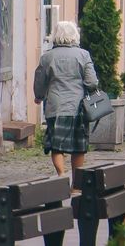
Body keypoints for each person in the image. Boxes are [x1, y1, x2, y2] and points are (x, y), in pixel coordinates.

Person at [35, 21, 99, 178]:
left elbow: (39, 81)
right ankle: (76, 185)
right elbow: (91, 82)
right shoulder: (83, 55)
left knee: (57, 146)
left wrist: (39, 96)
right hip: (78, 107)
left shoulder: (47, 57)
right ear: (75, 36)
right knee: (79, 146)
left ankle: (61, 175)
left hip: (55, 108)